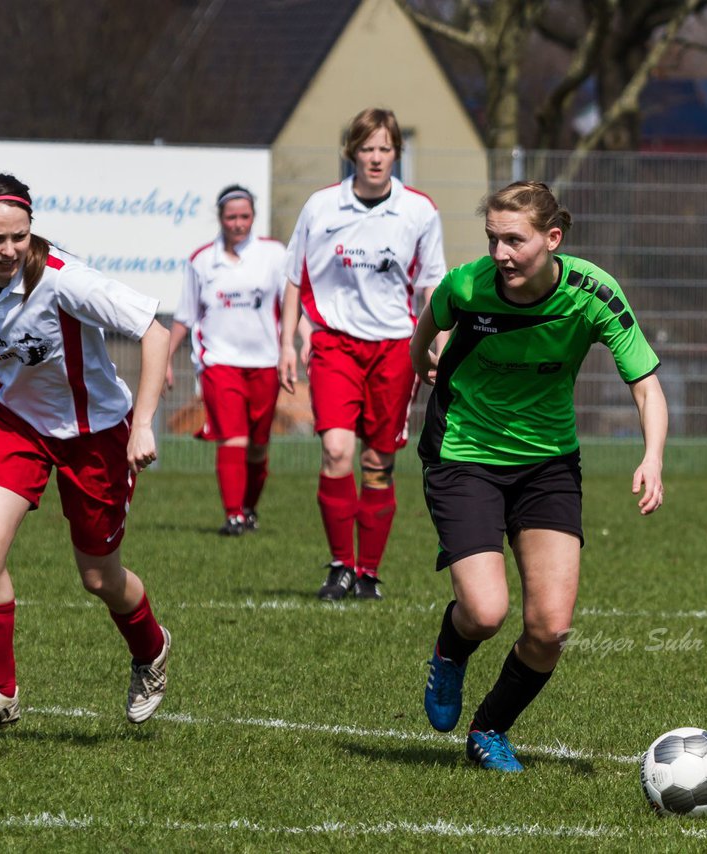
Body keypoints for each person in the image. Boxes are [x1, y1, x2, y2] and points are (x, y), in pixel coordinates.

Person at [0, 173, 173, 734]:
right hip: (16, 422)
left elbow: (155, 332)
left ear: (31, 230)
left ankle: (151, 649)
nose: (8, 250)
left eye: (18, 237)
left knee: (98, 576)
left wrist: (142, 425)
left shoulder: (65, 280)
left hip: (95, 434)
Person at [410, 181, 667, 771]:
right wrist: (427, 358)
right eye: (493, 239)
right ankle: (451, 652)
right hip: (464, 453)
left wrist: (652, 456)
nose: (500, 254)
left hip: (549, 462)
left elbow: (646, 385)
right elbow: (422, 336)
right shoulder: (466, 287)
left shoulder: (591, 293)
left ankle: (490, 729)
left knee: (550, 628)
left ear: (552, 239)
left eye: (515, 241)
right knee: (485, 612)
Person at [278, 107, 446, 601]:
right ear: (351, 152)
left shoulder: (419, 211)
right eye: (367, 148)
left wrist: (439, 345)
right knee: (336, 451)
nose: (376, 158)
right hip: (334, 344)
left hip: (395, 347)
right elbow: (294, 277)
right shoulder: (321, 206)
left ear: (397, 153)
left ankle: (369, 572)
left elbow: (432, 287)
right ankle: (340, 565)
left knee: (378, 461)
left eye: (385, 149)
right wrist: (289, 344)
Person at [167, 185, 286, 536]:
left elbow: (294, 304)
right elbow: (185, 316)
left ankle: (248, 509)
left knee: (258, 445)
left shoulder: (274, 255)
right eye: (231, 217)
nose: (238, 224)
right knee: (233, 438)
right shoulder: (202, 260)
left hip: (266, 361)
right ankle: (233, 514)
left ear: (253, 217)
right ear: (220, 219)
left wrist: (303, 342)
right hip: (219, 362)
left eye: (244, 216)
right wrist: (166, 360)